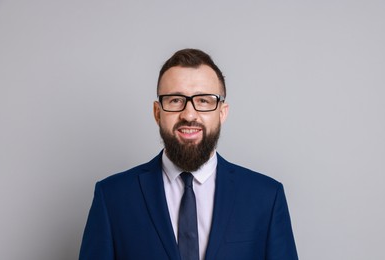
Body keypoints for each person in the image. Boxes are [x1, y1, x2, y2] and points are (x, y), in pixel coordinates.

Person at [79, 48, 298, 260]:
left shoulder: (266, 198)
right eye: (175, 100)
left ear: (222, 113)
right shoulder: (112, 197)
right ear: (157, 112)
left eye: (203, 100)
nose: (189, 114)